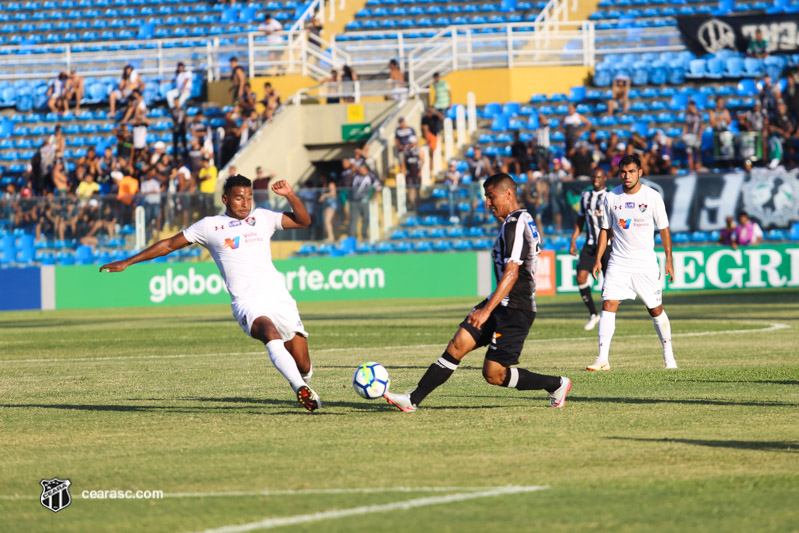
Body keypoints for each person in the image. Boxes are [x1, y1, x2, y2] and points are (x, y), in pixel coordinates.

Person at [100, 175, 321, 412]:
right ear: (225, 199)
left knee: (303, 364)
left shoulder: (263, 217)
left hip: (279, 298)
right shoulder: (209, 226)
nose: (245, 203)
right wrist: (128, 261)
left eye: (249, 197)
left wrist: (290, 195)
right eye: (239, 198)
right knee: (269, 333)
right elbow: (168, 245)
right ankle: (299, 387)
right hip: (247, 301)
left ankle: (304, 381)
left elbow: (303, 221)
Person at [384, 173, 572, 412]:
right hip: (500, 303)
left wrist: (485, 311)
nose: (487, 203)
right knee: (457, 344)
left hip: (515, 309)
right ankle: (412, 400)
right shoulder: (513, 222)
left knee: (493, 374)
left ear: (508, 194)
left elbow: (512, 273)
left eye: (491, 196)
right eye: (485, 197)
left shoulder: (516, 222)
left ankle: (556, 384)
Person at [587, 154, 676, 371]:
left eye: (632, 172)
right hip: (618, 261)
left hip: (645, 264)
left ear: (640, 173)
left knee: (655, 309)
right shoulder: (610, 197)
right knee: (608, 303)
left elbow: (664, 229)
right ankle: (602, 358)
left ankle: (668, 355)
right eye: (623, 172)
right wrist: (598, 259)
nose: (627, 176)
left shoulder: (652, 197)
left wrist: (669, 261)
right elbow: (605, 230)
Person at [569, 167, 610, 331]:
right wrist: (573, 240)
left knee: (609, 283)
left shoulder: (611, 197)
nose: (595, 180)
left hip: (607, 245)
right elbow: (580, 220)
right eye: (593, 177)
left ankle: (607, 316)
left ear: (605, 178)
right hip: (590, 243)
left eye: (599, 177)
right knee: (580, 277)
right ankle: (593, 313)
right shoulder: (585, 196)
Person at [349, 164, 379, 240]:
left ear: (366, 169)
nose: (359, 169)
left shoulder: (371, 176)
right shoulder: (355, 176)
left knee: (366, 219)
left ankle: (364, 235)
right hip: (354, 201)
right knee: (353, 219)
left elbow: (378, 187)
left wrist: (373, 198)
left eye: (361, 168)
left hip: (365, 201)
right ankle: (352, 237)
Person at [682, 99, 704, 172]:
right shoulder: (688, 115)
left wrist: (699, 135)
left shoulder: (698, 115)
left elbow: (701, 126)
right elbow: (685, 125)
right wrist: (683, 134)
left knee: (697, 151)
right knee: (689, 152)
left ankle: (698, 166)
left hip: (696, 136)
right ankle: (691, 168)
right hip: (689, 135)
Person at [403, 135, 422, 211]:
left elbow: (422, 160)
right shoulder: (406, 150)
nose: (411, 144)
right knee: (410, 189)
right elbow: (404, 161)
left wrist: (420, 171)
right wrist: (403, 170)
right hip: (409, 173)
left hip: (416, 172)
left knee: (417, 189)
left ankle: (418, 204)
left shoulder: (418, 150)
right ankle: (412, 203)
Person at [317, 176, 339, 242]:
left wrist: (324, 195)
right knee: (326, 222)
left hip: (332, 204)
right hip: (327, 205)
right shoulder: (325, 185)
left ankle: (331, 237)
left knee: (327, 221)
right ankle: (329, 236)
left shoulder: (331, 184)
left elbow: (333, 193)